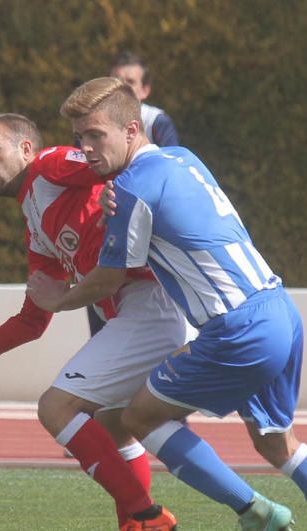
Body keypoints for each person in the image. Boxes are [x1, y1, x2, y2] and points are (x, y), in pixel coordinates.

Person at [28, 77, 307, 531]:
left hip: (237, 328)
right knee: (278, 446)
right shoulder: (184, 158)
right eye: (79, 137)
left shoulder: (133, 188)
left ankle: (255, 514)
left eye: (95, 135)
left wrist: (58, 299)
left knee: (135, 418)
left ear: (132, 129)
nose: (85, 148)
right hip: (280, 311)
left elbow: (110, 278)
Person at [0, 112, 191, 531]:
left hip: (152, 301)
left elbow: (115, 162)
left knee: (57, 409)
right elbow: (32, 320)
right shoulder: (35, 220)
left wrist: (123, 197)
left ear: (25, 149)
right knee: (115, 424)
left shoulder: (51, 164)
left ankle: (148, 517)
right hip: (141, 310)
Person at [86, 51, 181, 338]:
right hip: (107, 216)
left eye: (129, 81)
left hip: (147, 221)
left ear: (144, 89)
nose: (122, 86)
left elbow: (171, 166)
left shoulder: (156, 120)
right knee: (99, 283)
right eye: (115, 80)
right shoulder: (92, 121)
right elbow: (86, 171)